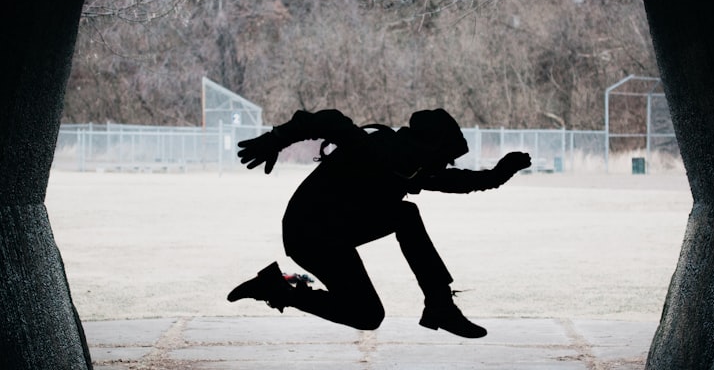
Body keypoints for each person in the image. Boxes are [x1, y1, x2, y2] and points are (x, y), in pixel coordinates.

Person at [227, 108, 531, 338]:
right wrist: (276, 139)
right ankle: (440, 306)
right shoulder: (380, 148)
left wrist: (500, 173)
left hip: (331, 233)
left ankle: (279, 288)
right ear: (429, 146)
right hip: (308, 233)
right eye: (444, 156)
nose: (444, 165)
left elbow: (458, 181)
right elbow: (328, 120)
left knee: (368, 315)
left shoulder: (410, 166)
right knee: (405, 216)